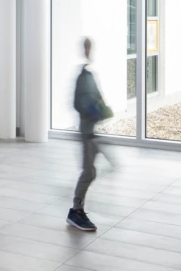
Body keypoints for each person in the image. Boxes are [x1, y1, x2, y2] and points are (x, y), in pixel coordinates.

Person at [67, 37, 110, 233]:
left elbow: (96, 98)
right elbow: (78, 103)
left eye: (90, 47)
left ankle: (77, 209)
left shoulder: (89, 74)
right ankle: (76, 211)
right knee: (88, 172)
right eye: (86, 47)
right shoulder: (82, 75)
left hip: (91, 131)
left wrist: (102, 109)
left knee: (91, 171)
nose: (88, 51)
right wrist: (91, 110)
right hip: (86, 132)